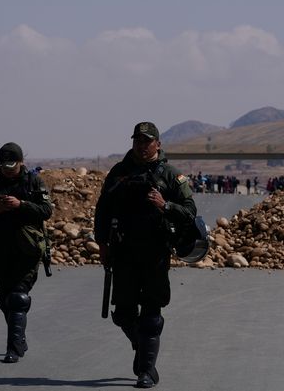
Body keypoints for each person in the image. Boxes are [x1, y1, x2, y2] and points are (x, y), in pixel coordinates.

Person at [94, 122, 197, 389]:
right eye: (137, 140)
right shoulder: (119, 173)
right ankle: (142, 347)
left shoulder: (171, 175)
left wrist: (166, 205)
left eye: (147, 140)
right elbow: (102, 211)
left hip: (155, 253)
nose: (141, 145)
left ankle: (147, 371)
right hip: (124, 252)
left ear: (158, 144)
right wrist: (102, 245)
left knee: (151, 313)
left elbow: (190, 212)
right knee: (123, 314)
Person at [0, 142, 52, 363]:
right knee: (7, 298)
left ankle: (13, 349)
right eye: (4, 166)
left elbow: (47, 211)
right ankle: (19, 337)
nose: (8, 170)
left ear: (21, 162)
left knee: (18, 297)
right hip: (0, 250)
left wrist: (21, 205)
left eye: (12, 165)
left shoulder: (33, 182)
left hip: (27, 250)